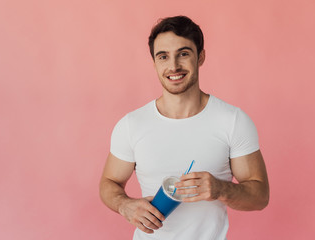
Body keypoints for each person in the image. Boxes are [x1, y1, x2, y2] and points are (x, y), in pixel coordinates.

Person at [99, 15, 269, 240]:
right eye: (163, 56)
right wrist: (125, 205)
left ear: (201, 57)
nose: (173, 66)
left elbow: (260, 196)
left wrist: (221, 189)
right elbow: (109, 182)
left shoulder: (233, 121)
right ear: (155, 63)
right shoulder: (132, 125)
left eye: (184, 53)